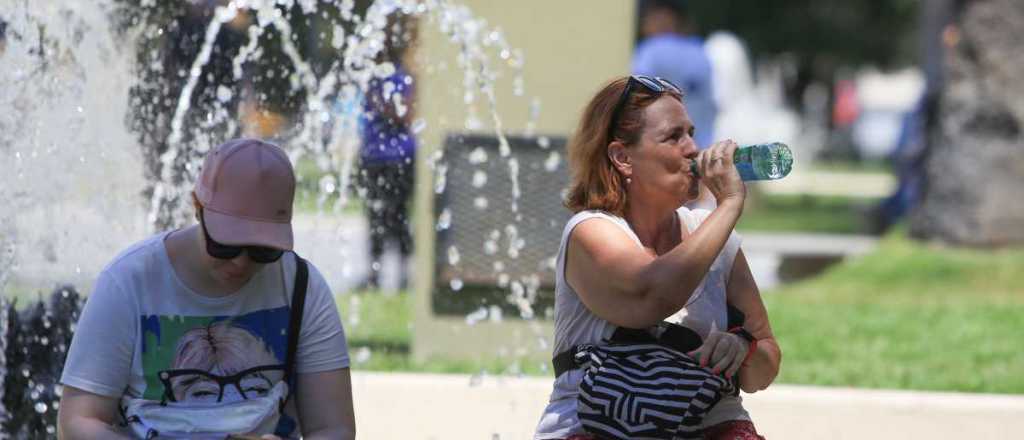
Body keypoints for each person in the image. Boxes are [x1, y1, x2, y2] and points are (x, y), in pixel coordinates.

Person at [533, 76, 781, 440]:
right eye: (673, 137)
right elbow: (653, 297)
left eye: (691, 133)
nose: (693, 149)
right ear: (622, 157)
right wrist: (728, 205)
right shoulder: (589, 232)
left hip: (711, 424)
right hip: (599, 424)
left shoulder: (715, 240)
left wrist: (742, 347)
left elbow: (765, 369)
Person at [58, 138, 356, 439]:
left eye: (262, 251)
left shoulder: (301, 286)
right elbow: (78, 421)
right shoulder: (129, 281)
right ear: (198, 208)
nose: (241, 263)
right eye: (225, 245)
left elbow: (334, 428)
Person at [356, 30, 417, 291]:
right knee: (374, 217)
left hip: (399, 158)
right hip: (373, 157)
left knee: (398, 215)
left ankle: (404, 275)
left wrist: (380, 103)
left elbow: (406, 113)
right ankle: (374, 275)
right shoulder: (371, 78)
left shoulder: (401, 77)